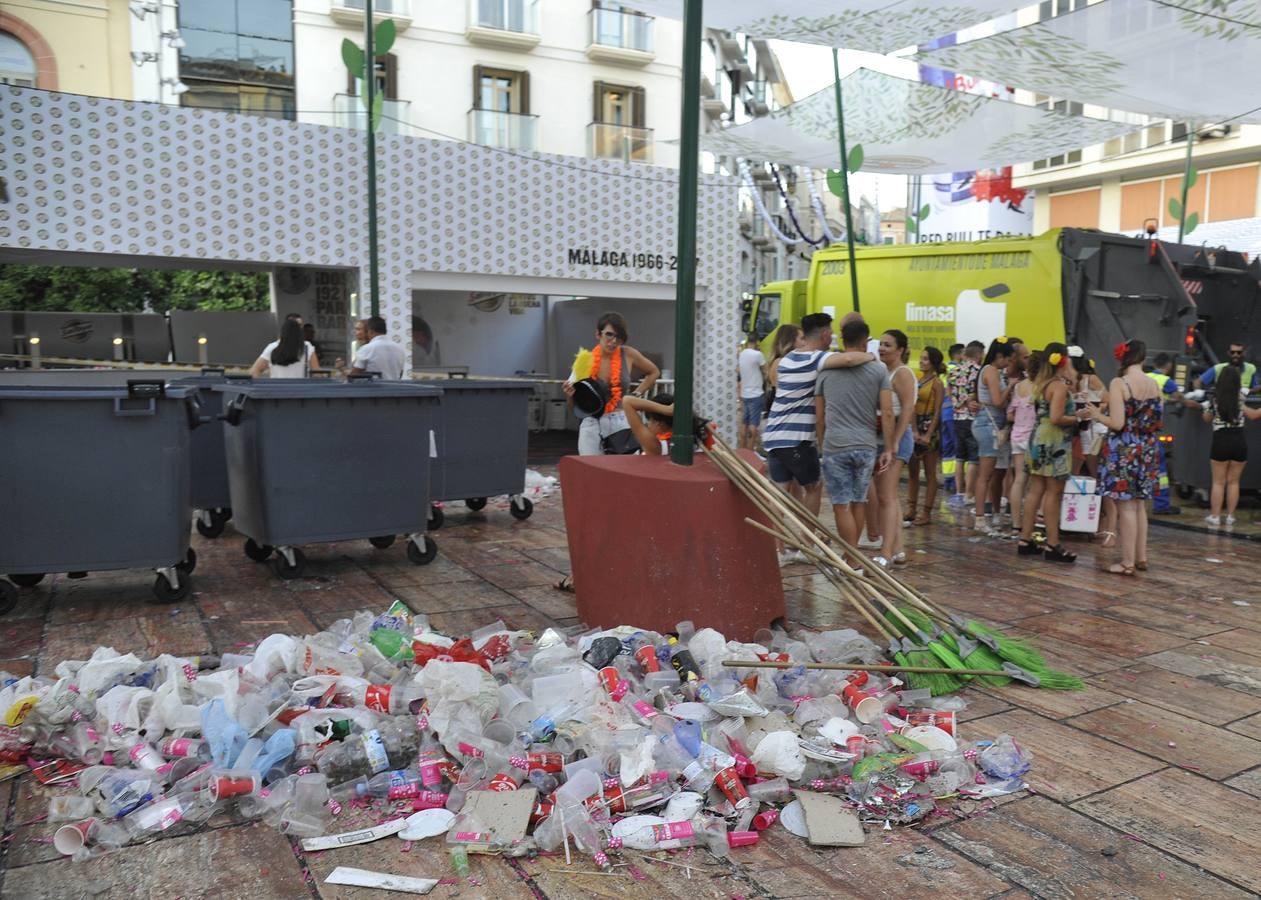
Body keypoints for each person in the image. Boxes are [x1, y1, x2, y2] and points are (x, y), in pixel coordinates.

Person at [762, 313, 875, 531]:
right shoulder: (815, 359)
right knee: (814, 486)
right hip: (797, 439)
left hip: (774, 435)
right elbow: (850, 359)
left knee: (779, 492)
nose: (832, 337)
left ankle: (777, 548)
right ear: (824, 334)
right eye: (831, 333)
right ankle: (807, 541)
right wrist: (871, 357)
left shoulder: (787, 359)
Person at [816, 318, 894, 571]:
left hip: (835, 444)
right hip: (865, 444)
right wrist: (890, 448)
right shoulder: (879, 370)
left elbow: (820, 414)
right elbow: (887, 411)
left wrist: (821, 443)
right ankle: (853, 557)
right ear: (865, 341)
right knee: (859, 501)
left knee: (841, 504)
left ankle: (849, 558)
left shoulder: (826, 370)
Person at [1089, 339, 1164, 575]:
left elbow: (1118, 423)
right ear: (1143, 358)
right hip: (1148, 448)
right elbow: (1159, 420)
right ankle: (1141, 557)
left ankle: (1127, 562)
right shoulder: (1154, 384)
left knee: (1126, 507)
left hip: (1125, 448)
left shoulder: (1119, 383)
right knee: (1140, 505)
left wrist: (1096, 415)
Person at [1018, 343, 1091, 563]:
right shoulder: (1058, 386)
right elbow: (1057, 417)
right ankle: (1053, 544)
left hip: (1038, 438)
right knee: (1053, 492)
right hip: (1054, 442)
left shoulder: (1042, 383)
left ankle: (1025, 539)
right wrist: (1079, 416)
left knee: (1035, 489)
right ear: (1063, 360)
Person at [564, 312, 660, 456]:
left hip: (622, 420)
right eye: (609, 335)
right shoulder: (584, 361)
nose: (614, 341)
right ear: (598, 334)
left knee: (624, 469)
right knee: (592, 471)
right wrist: (569, 396)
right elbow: (575, 408)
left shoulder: (628, 354)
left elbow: (654, 372)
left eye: (619, 337)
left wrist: (636, 394)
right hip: (592, 423)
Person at [1197, 364, 1261, 525]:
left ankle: (1215, 516)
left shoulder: (1215, 398)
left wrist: (1205, 410)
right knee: (1234, 482)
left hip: (1220, 440)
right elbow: (1253, 415)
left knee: (1218, 482)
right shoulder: (1240, 396)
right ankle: (1231, 516)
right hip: (1239, 440)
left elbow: (1207, 419)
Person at [872, 329, 915, 567]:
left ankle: (886, 552)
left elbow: (908, 409)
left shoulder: (902, 373)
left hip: (896, 437)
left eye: (888, 345)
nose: (882, 349)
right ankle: (897, 549)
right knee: (888, 497)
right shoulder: (883, 371)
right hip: (883, 436)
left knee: (886, 497)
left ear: (900, 350)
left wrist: (895, 441)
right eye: (880, 344)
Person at [971, 337, 1016, 534]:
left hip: (990, 423)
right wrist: (1012, 387)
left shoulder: (990, 371)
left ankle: (986, 515)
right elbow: (997, 401)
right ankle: (980, 518)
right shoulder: (991, 371)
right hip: (988, 424)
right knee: (985, 475)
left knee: (991, 473)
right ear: (1000, 356)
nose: (1008, 363)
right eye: (1008, 359)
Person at [906, 346, 945, 526]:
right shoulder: (917, 380)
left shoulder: (937, 383)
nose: (921, 362)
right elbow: (911, 406)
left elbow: (938, 411)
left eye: (926, 359)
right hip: (916, 424)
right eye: (921, 358)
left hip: (930, 425)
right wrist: (913, 429)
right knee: (913, 471)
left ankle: (927, 511)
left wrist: (929, 433)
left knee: (930, 473)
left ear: (933, 363)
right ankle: (911, 507)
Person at [946, 341, 983, 507]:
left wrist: (960, 402)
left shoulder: (953, 371)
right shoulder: (977, 371)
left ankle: (959, 492)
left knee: (960, 457)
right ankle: (970, 494)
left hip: (957, 417)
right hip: (973, 418)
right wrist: (970, 401)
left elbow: (950, 393)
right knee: (974, 458)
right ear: (979, 354)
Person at [1145, 352, 1181, 515]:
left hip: (1138, 430)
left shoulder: (1145, 377)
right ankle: (1161, 504)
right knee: (1160, 469)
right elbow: (1179, 396)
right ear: (1169, 366)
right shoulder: (1167, 381)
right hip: (1152, 431)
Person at [621, 392, 713, 456]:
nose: (648, 424)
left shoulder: (655, 447)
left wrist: (666, 410)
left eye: (650, 420)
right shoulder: (695, 440)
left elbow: (627, 401)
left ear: (658, 423)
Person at [1008, 350, 1039, 535]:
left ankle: (1016, 523)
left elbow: (1010, 413)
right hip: (1034, 438)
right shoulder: (1042, 387)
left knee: (1019, 479)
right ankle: (1030, 522)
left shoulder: (1019, 386)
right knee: (1035, 484)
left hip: (1017, 436)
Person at [336, 316, 406, 380]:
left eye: (358, 329)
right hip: (394, 391)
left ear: (370, 331)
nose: (356, 333)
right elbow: (400, 374)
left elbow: (354, 375)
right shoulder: (400, 349)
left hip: (372, 391)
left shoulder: (367, 349)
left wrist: (342, 368)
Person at [250, 316, 320, 378]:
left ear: (283, 332)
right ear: (300, 332)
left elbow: (254, 371)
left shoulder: (272, 347)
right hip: (301, 390)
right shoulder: (307, 347)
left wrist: (261, 388)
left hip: (277, 390)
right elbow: (317, 374)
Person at [737, 333, 767, 450]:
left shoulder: (742, 354)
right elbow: (765, 370)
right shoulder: (758, 355)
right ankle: (750, 452)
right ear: (757, 342)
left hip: (745, 394)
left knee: (745, 422)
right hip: (756, 393)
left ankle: (742, 450)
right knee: (753, 424)